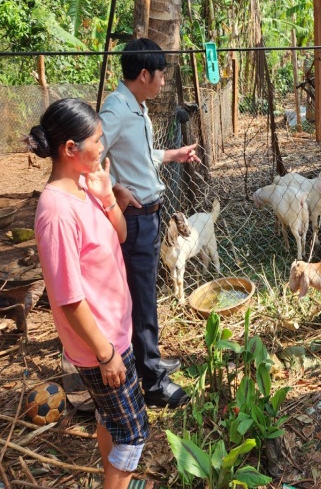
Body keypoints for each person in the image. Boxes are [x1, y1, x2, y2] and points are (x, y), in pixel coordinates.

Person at [29, 98, 148, 489]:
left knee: (108, 419)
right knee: (132, 434)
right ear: (70, 149)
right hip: (101, 345)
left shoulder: (83, 185)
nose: (102, 146)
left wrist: (108, 197)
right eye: (97, 139)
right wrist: (106, 353)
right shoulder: (56, 212)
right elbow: (69, 299)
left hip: (114, 332)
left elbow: (121, 234)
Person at [100, 38, 199, 409]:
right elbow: (88, 155)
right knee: (141, 302)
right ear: (144, 74)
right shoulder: (116, 110)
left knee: (145, 297)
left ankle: (150, 360)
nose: (162, 81)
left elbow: (141, 156)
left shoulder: (135, 107)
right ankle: (154, 384)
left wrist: (175, 155)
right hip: (135, 220)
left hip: (150, 216)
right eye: (160, 75)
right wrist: (113, 190)